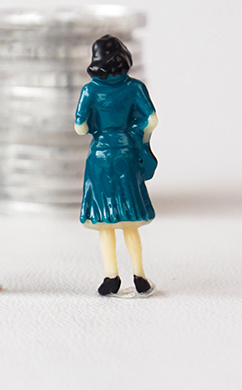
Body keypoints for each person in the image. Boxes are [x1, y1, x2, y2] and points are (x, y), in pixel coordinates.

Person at [74, 34, 158, 296]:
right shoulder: (135, 88)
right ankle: (140, 275)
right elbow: (151, 119)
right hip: (126, 155)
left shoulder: (90, 90)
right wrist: (139, 138)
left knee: (105, 223)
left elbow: (80, 127)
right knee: (129, 222)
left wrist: (97, 128)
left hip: (100, 157)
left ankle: (111, 276)